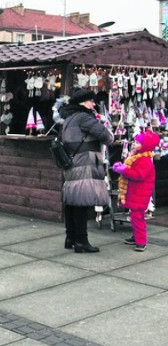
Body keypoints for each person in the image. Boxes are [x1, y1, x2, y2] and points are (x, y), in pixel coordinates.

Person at [59, 89, 114, 253]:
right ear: (83, 103)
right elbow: (107, 137)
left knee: (72, 201)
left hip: (71, 163)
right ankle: (82, 241)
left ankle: (70, 237)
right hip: (84, 164)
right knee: (81, 203)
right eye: (91, 101)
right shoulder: (84, 117)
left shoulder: (69, 118)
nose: (94, 104)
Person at [112, 130, 160, 252]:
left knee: (137, 217)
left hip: (139, 194)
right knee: (135, 217)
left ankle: (141, 241)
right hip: (136, 193)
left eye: (138, 143)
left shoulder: (144, 160)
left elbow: (138, 175)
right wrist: (122, 169)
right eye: (135, 141)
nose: (134, 144)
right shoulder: (139, 158)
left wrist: (124, 170)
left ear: (145, 146)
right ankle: (136, 237)